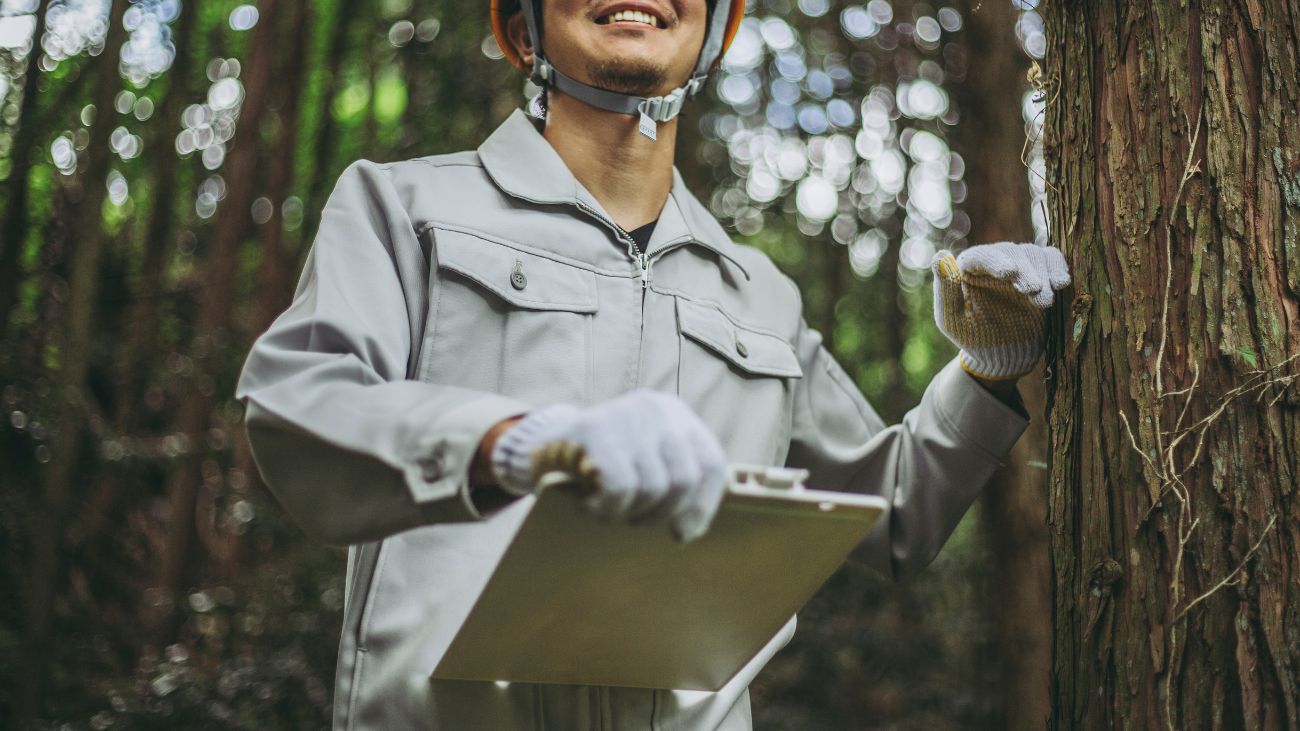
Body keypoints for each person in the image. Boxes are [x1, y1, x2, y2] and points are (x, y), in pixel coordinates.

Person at [234, 0, 1071, 728]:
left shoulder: (759, 295)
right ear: (524, 24)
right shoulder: (402, 208)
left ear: (712, 27)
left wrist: (987, 367)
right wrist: (514, 441)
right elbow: (297, 402)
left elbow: (890, 511)